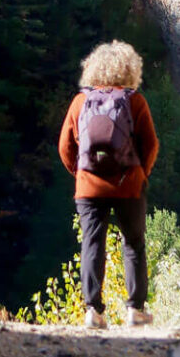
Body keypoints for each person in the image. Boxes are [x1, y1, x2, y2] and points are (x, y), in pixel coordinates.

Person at [58, 40, 159, 330]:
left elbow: (65, 147)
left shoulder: (80, 102)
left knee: (92, 244)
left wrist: (81, 173)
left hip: (89, 187)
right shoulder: (134, 100)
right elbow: (150, 145)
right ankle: (135, 310)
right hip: (129, 184)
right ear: (130, 70)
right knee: (134, 244)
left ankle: (93, 311)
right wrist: (141, 174)